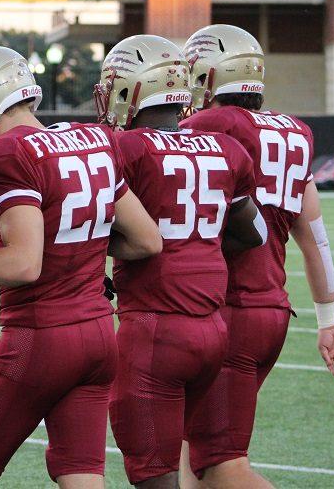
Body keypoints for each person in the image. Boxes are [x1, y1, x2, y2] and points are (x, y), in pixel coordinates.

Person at [0, 46, 162, 489]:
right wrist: (81, 250)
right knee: (80, 475)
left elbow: (23, 264)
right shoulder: (94, 139)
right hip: (100, 335)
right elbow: (146, 240)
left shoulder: (7, 153)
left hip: (40, 336)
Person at [178, 25, 334, 489]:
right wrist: (329, 318)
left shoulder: (212, 125)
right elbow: (314, 236)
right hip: (270, 308)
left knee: (223, 465)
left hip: (229, 310)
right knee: (192, 449)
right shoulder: (294, 132)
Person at [93, 35, 266, 489]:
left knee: (156, 475)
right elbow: (254, 233)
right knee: (196, 466)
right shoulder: (225, 150)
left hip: (155, 327)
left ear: (130, 90)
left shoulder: (124, 148)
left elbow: (86, 226)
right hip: (212, 330)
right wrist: (198, 242)